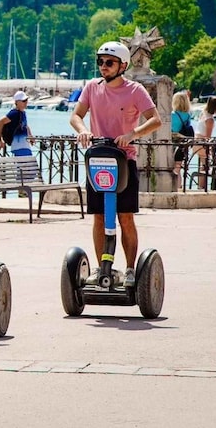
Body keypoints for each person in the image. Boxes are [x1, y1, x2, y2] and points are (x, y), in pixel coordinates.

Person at [70, 41, 162, 288]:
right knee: (98, 217)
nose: (103, 67)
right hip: (98, 160)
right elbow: (76, 116)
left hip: (124, 160)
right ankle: (102, 268)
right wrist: (83, 131)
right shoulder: (91, 87)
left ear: (122, 65)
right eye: (100, 62)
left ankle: (131, 269)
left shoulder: (135, 90)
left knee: (125, 218)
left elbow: (155, 120)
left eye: (109, 63)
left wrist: (132, 134)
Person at [193, 96, 216, 190]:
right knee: (205, 166)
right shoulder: (210, 120)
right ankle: (201, 186)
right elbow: (208, 137)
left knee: (203, 165)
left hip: (196, 142)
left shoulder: (203, 114)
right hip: (202, 143)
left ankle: (200, 186)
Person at [0, 90, 34, 156]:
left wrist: (30, 136)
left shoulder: (23, 113)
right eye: (23, 101)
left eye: (26, 100)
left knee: (27, 164)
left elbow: (25, 126)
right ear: (17, 102)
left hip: (24, 145)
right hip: (18, 145)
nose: (26, 102)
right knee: (27, 164)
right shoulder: (14, 113)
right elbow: (0, 122)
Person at [170, 90, 193, 190]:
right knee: (178, 168)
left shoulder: (173, 115)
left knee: (172, 168)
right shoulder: (187, 115)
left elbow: (172, 131)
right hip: (183, 145)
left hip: (174, 144)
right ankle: (179, 187)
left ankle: (174, 187)